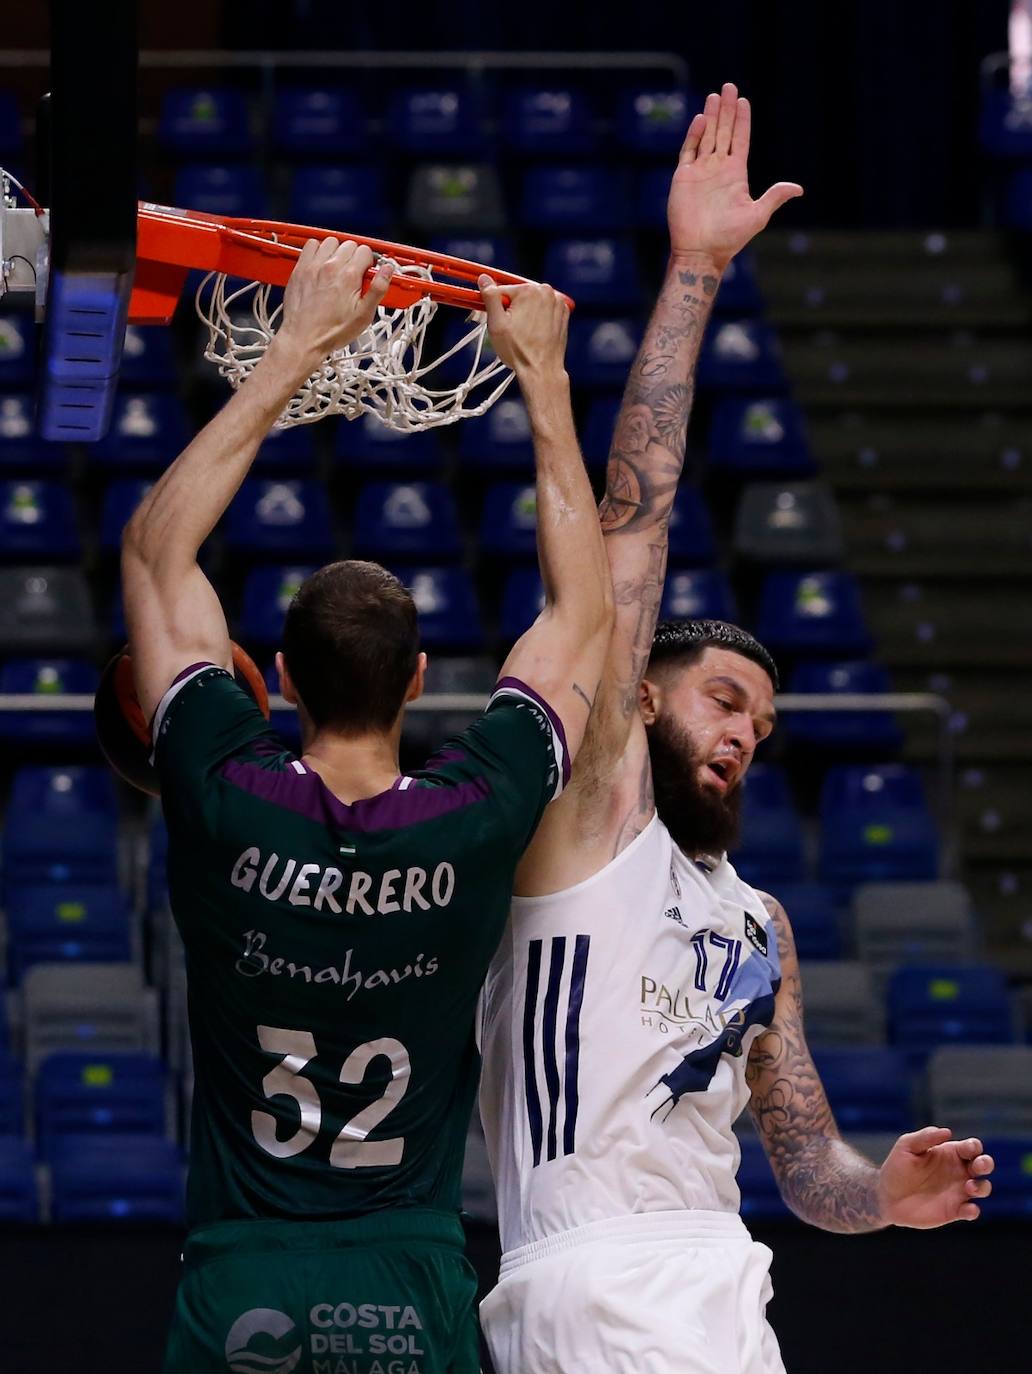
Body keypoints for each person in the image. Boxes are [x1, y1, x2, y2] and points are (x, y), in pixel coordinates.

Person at [477, 84, 996, 1374]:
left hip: (725, 1289)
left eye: (762, 725)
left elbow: (806, 1161)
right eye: (724, 701)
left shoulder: (759, 926)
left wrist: (885, 1195)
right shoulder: (593, 810)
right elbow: (633, 526)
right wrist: (696, 273)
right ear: (641, 697)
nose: (745, 737)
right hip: (589, 1281)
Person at [120, 236, 613, 1373]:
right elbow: (582, 612)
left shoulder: (223, 789)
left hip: (241, 1263)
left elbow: (156, 555)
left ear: (277, 678)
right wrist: (543, 379)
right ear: (420, 678)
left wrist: (295, 348)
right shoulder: (475, 812)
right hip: (409, 1269)